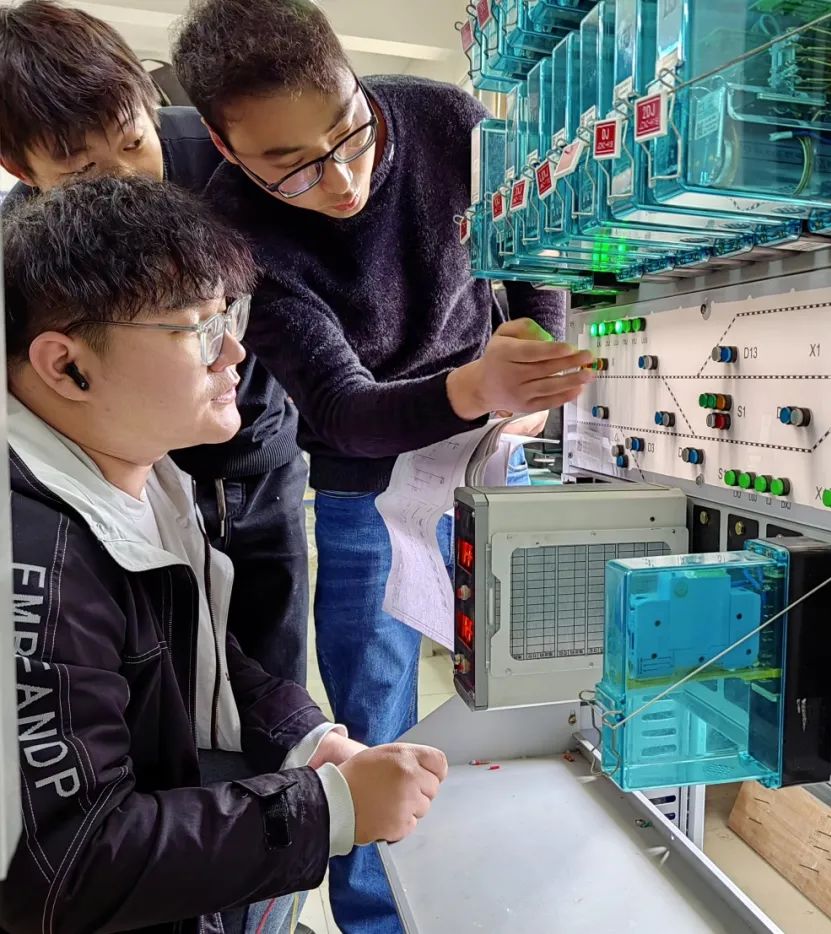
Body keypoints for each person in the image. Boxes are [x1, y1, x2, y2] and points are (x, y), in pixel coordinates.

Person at [171, 2, 592, 929]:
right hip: (369, 481)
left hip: (491, 451)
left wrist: (536, 351)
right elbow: (339, 408)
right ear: (227, 147)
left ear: (357, 82)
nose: (343, 179)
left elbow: (537, 243)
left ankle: (513, 882)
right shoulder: (233, 232)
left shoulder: (445, 120)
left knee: (525, 684)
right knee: (375, 716)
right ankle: (379, 917)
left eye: (349, 132)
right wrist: (475, 386)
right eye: (293, 165)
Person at [0, 174, 448, 934]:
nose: (236, 352)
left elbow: (200, 654)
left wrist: (308, 739)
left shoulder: (145, 473)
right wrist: (327, 811)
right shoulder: (34, 557)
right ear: (66, 365)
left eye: (229, 314)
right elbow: (59, 868)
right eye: (199, 329)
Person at [0, 0, 310, 689]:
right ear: (18, 165)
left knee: (270, 671)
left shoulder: (229, 161)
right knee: (163, 678)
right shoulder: (21, 255)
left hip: (257, 460)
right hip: (127, 492)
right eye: (81, 169)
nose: (126, 179)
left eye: (134, 142)